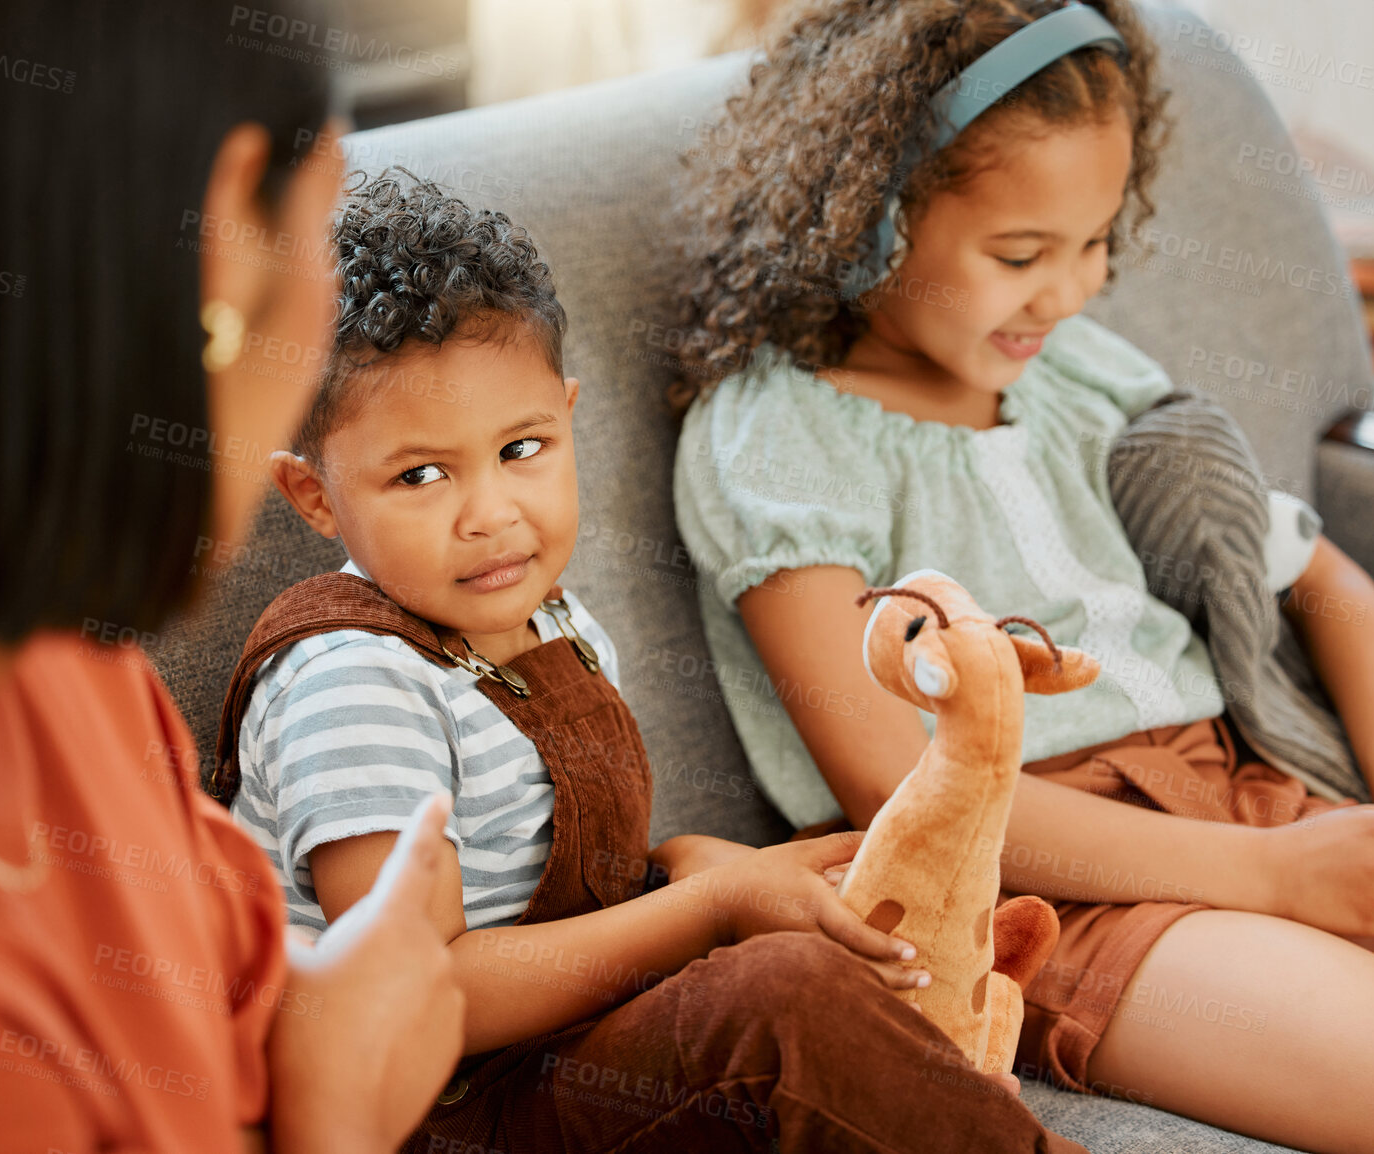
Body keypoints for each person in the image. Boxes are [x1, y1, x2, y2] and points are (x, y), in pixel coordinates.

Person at [666, 2, 1374, 1151]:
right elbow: (900, 782)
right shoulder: (775, 438)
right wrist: (1272, 877)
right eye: (1021, 255)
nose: (1071, 292)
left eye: (1097, 244)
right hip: (1055, 895)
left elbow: (1313, 570)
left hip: (1248, 793)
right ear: (868, 218)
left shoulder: (1078, 367)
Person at [216, 166, 1089, 1154]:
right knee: (779, 993)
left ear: (568, 413)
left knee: (860, 919)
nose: (492, 512)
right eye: (420, 474)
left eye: (522, 447)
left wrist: (683, 865)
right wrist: (706, 910)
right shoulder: (350, 683)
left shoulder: (555, 621)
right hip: (447, 1106)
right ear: (316, 495)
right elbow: (429, 993)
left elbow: (570, 870)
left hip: (577, 1053)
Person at [0, 1, 463, 1150]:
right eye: (322, 227)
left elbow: (259, 993)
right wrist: (343, 1119)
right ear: (227, 242)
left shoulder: (63, 658)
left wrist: (339, 1005)